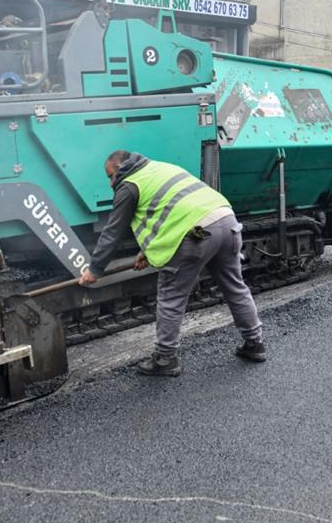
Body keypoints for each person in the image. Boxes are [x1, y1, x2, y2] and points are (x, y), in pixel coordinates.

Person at [80, 150, 265, 377]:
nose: (110, 183)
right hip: (226, 222)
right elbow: (168, 212)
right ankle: (255, 344)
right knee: (235, 287)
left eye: (110, 176)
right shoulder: (158, 167)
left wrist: (94, 269)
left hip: (197, 232)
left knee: (171, 297)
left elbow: (113, 232)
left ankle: (165, 358)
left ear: (120, 168)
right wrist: (146, 252)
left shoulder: (128, 185)